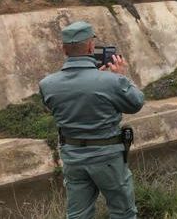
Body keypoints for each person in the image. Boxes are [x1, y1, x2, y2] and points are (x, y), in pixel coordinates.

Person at [39, 21, 144, 219]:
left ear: (64, 49)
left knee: (78, 215)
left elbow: (52, 107)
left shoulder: (47, 84)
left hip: (73, 158)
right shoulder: (111, 81)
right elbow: (136, 103)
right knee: (123, 213)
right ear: (90, 47)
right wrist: (121, 79)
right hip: (108, 158)